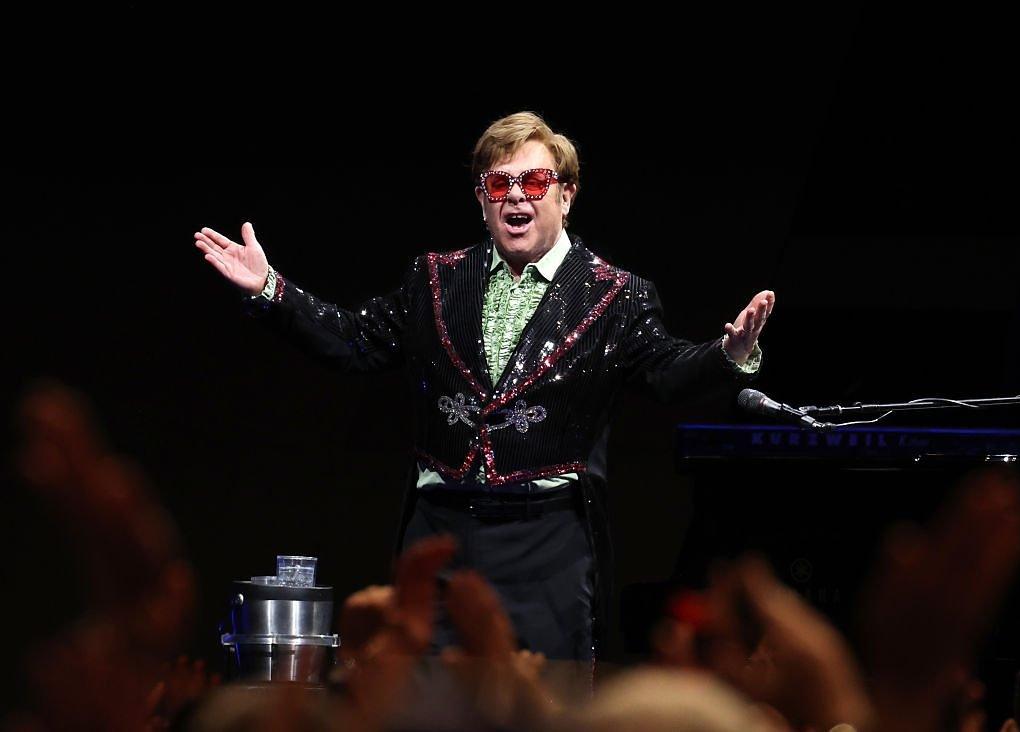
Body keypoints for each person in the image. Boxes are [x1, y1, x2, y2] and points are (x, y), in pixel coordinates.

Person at [193, 111, 773, 667]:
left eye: (535, 180)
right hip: (441, 533)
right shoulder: (435, 279)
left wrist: (730, 354)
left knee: (542, 703)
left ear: (566, 194)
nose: (516, 196)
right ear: (481, 198)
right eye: (499, 183)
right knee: (430, 704)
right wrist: (270, 289)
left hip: (547, 540)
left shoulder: (614, 295)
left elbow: (667, 372)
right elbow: (355, 342)